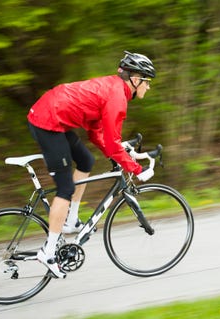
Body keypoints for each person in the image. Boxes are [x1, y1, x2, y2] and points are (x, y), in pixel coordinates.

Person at [27, 51, 156, 278]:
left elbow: (98, 134)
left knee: (86, 160)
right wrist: (136, 169)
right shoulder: (117, 97)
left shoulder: (114, 89)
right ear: (135, 80)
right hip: (48, 122)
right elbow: (113, 143)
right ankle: (48, 252)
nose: (148, 87)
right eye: (147, 81)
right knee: (65, 188)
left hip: (53, 114)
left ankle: (71, 220)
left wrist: (123, 155)